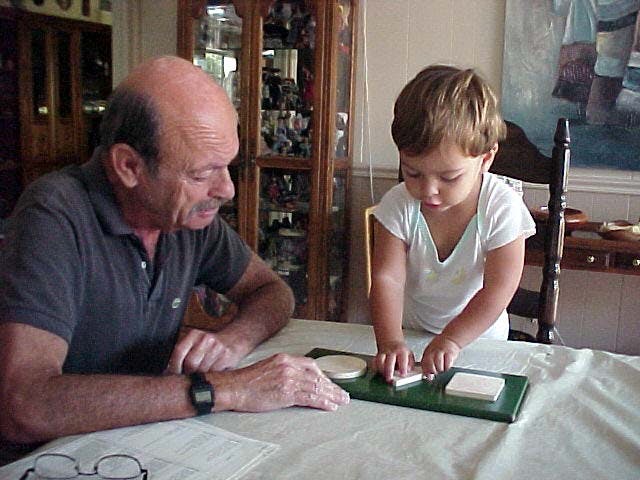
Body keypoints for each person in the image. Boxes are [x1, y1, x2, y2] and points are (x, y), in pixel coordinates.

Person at [0, 56, 349, 464]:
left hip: (142, 442)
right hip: (49, 459)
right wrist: (223, 388)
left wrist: (231, 342)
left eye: (228, 167)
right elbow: (23, 405)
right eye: (202, 174)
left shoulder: (184, 218)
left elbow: (272, 291)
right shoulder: (55, 215)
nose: (228, 190)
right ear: (129, 166)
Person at [370, 65, 536, 383]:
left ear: (485, 159)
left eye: (449, 177)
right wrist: (390, 342)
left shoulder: (501, 206)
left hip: (480, 340)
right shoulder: (398, 204)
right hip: (410, 336)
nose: (428, 190)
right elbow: (387, 278)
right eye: (413, 172)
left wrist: (453, 339)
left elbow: (499, 288)